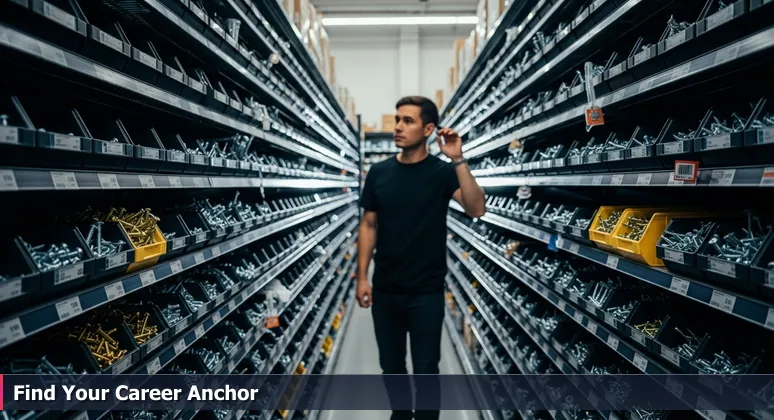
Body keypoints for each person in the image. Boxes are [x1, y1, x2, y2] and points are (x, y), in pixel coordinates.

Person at [356, 96, 486, 420]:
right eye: (398, 119)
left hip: (426, 291)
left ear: (429, 129)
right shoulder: (379, 173)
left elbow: (476, 208)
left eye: (408, 121)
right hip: (386, 288)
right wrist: (361, 277)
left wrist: (458, 158)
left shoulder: (442, 173)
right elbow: (369, 224)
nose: (398, 127)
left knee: (427, 368)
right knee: (392, 366)